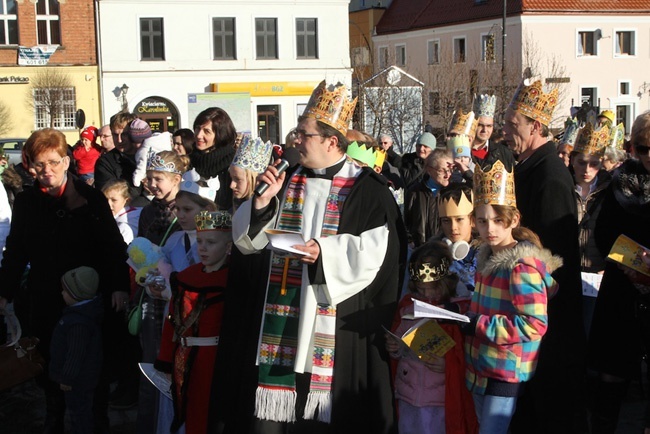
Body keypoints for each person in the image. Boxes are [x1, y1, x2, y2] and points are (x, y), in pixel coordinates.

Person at [233, 80, 407, 434]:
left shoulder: (369, 191)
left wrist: (325, 252)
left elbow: (379, 253)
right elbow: (246, 244)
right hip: (283, 318)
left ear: (332, 141)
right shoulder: (286, 180)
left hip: (337, 323)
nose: (295, 139)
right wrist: (263, 204)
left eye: (303, 133)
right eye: (296, 132)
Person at [0, 128, 130, 434]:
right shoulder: (27, 202)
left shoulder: (90, 198)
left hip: (89, 299)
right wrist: (4, 292)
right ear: (30, 165)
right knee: (49, 366)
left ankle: (95, 422)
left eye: (54, 162)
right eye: (40, 165)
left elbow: (112, 246)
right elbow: (16, 250)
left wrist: (119, 286)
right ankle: (54, 419)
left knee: (89, 368)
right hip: (45, 296)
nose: (48, 172)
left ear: (67, 161)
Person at [504, 79, 586, 433]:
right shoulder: (529, 168)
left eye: (512, 125)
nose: (506, 132)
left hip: (546, 317)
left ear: (535, 127)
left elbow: (552, 256)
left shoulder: (550, 176)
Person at [463, 160, 561, 433]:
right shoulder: (488, 258)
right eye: (482, 221)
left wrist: (477, 325)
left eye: (498, 221)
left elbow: (534, 324)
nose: (489, 229)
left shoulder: (520, 267)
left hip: (504, 368)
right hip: (483, 364)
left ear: (513, 220)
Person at [588, 110, 650, 434]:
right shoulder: (620, 181)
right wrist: (630, 262)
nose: (649, 156)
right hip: (622, 288)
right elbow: (603, 232)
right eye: (643, 148)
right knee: (612, 375)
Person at [210, 135, 274, 433]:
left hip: (254, 299)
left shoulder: (265, 212)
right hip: (235, 299)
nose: (233, 186)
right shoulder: (233, 206)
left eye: (238, 180)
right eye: (230, 180)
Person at [387, 241, 478, 434]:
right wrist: (394, 348)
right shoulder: (407, 306)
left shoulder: (458, 311)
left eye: (432, 288)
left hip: (440, 398)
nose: (427, 294)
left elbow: (465, 356)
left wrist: (448, 366)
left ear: (445, 283)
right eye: (421, 289)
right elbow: (397, 340)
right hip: (407, 394)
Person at [136, 150, 189, 432]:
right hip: (151, 295)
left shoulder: (190, 207)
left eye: (159, 178)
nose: (152, 184)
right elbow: (140, 247)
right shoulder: (147, 210)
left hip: (179, 294)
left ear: (177, 179)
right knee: (150, 362)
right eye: (149, 178)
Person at [570, 122, 612, 335]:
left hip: (598, 269)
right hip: (571, 270)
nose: (587, 170)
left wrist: (609, 263)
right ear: (572, 160)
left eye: (593, 164)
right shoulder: (566, 188)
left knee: (593, 327)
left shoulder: (609, 191)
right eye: (582, 162)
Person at [50, 266, 104, 434]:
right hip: (79, 380)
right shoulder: (80, 315)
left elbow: (76, 354)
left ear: (76, 295)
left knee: (79, 414)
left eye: (65, 291)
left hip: (77, 382)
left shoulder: (78, 323)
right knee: (80, 412)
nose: (62, 294)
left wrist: (67, 378)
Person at [94, 111, 150, 206]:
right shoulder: (105, 162)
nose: (119, 140)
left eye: (124, 134)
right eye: (115, 135)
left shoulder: (149, 154)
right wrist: (145, 190)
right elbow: (109, 196)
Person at [190, 107, 237, 210]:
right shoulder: (188, 162)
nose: (198, 135)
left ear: (220, 135)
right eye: (197, 128)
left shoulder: (234, 164)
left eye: (206, 131)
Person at [404, 148, 453, 247]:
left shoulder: (452, 192)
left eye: (450, 170)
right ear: (430, 170)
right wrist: (410, 240)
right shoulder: (415, 192)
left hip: (445, 249)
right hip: (420, 248)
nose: (447, 175)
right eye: (442, 170)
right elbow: (406, 221)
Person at [436, 183, 478, 293]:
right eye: (446, 221)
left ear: (472, 220)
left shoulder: (487, 254)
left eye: (459, 219)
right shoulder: (432, 254)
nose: (453, 227)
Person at [471, 94, 515, 171]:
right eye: (480, 125)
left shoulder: (504, 153)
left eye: (489, 126)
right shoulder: (461, 151)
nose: (485, 130)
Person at [102, 179, 142, 244]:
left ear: (126, 200)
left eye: (114, 200)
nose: (108, 204)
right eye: (105, 199)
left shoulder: (125, 227)